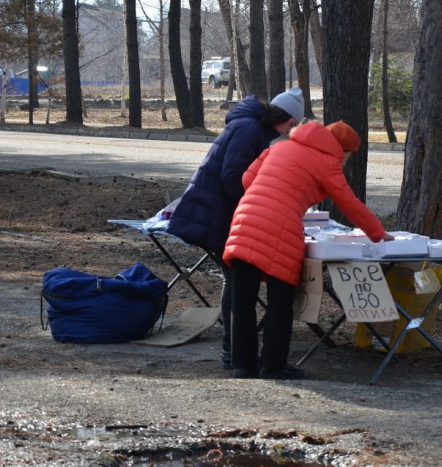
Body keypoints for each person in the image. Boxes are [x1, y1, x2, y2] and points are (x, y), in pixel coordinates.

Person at [223, 121, 395, 379]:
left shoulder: (280, 146)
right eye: (349, 155)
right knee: (280, 300)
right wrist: (379, 234)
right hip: (280, 226)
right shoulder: (327, 162)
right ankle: (273, 365)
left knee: (243, 300)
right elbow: (349, 203)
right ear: (344, 150)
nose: (346, 160)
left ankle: (242, 365)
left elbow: (248, 178)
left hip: (243, 222)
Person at [166, 87, 304, 370]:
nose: (288, 131)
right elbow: (232, 178)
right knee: (236, 282)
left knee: (236, 282)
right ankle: (233, 351)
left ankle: (235, 352)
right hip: (218, 213)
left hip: (220, 211)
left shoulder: (250, 126)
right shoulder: (249, 128)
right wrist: (257, 206)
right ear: (283, 117)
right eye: (291, 125)